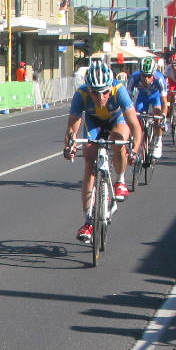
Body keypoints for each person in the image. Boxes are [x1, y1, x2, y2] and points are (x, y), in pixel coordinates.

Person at [63, 58, 141, 242]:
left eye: (104, 93)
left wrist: (135, 150)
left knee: (118, 140)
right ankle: (88, 221)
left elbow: (135, 126)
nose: (100, 98)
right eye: (95, 94)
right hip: (94, 122)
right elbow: (72, 127)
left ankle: (120, 180)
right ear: (88, 90)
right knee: (89, 164)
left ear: (110, 88)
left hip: (117, 120)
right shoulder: (80, 94)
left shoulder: (119, 90)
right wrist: (69, 146)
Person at [128, 58, 167, 159]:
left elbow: (164, 102)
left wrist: (163, 116)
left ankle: (158, 142)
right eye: (143, 75)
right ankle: (141, 144)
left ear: (153, 74)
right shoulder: (134, 78)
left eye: (149, 76)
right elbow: (127, 99)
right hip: (142, 97)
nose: (146, 79)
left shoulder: (160, 79)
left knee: (157, 116)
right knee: (137, 120)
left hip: (156, 97)